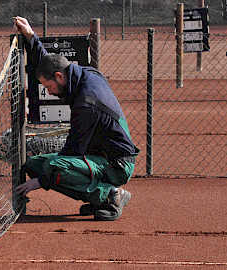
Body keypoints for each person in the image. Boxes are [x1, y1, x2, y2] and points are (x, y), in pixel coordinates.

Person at [13, 17, 140, 221]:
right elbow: (50, 63)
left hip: (116, 164)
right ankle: (99, 197)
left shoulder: (86, 103)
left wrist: (41, 182)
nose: (50, 92)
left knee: (53, 168)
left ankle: (111, 195)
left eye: (48, 87)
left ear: (59, 77)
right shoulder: (84, 74)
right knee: (34, 165)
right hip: (97, 155)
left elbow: (73, 150)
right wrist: (31, 37)